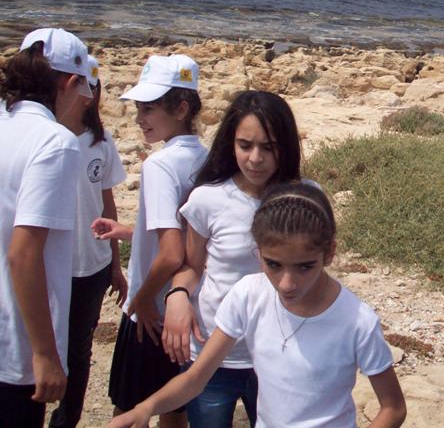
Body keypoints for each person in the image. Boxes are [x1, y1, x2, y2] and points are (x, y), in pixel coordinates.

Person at [106, 181, 407, 428]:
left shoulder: (357, 321)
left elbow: (393, 408)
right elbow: (196, 378)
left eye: (304, 267)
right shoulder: (249, 295)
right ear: (258, 252)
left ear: (329, 253)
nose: (287, 284)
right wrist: (145, 408)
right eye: (273, 264)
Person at [161, 90, 304, 428]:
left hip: (279, 353)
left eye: (268, 147)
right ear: (230, 143)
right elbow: (192, 266)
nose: (255, 158)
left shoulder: (303, 199)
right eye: (245, 145)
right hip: (213, 355)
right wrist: (177, 297)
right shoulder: (207, 199)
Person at [93, 54, 207, 428]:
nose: (139, 118)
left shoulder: (159, 165)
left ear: (182, 108)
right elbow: (186, 232)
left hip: (153, 311)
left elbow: (170, 254)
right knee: (175, 408)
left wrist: (141, 299)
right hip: (187, 308)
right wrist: (132, 231)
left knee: (130, 410)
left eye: (148, 108)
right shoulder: (206, 158)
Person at [0, 28, 93, 427]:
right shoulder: (55, 143)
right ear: (67, 82)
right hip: (15, 343)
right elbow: (23, 254)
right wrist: (44, 353)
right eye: (83, 87)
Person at [49, 55, 128, 428]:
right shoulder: (47, 137)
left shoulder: (101, 141)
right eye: (85, 84)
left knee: (78, 353)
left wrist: (115, 265)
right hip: (50, 266)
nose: (90, 93)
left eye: (96, 86)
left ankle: (67, 420)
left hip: (90, 268)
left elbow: (107, 202)